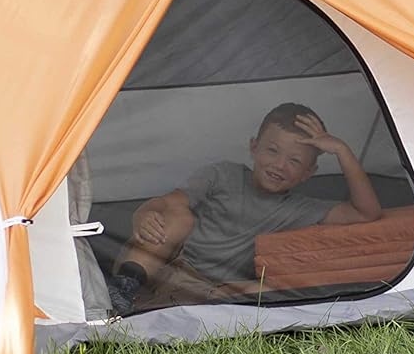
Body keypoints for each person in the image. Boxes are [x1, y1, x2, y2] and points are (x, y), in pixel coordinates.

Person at [105, 102, 384, 314]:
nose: (279, 165)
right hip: (163, 267)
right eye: (272, 151)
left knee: (276, 288)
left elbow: (366, 213)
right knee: (179, 216)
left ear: (308, 173)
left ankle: (163, 308)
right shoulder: (223, 174)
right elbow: (170, 202)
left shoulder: (300, 208)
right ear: (254, 147)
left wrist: (342, 151)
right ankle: (124, 289)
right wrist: (144, 212)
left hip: (214, 291)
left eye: (295, 161)